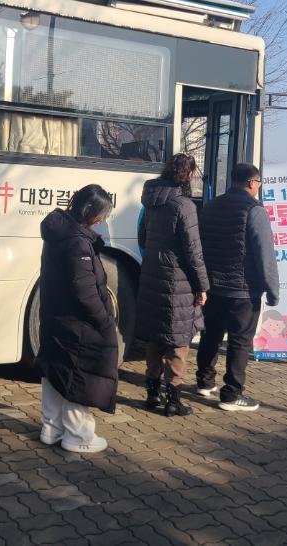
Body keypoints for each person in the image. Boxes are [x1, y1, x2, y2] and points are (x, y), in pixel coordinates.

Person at [35, 185, 117, 453]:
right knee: (77, 374)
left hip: (56, 316)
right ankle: (78, 435)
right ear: (90, 211)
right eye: (102, 214)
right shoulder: (77, 241)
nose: (103, 220)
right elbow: (85, 292)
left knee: (55, 370)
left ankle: (51, 428)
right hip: (77, 322)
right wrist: (105, 320)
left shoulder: (59, 231)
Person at [196, 163, 280, 412]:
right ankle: (232, 394)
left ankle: (204, 381)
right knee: (240, 341)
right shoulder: (254, 210)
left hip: (212, 286)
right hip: (243, 290)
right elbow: (265, 254)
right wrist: (272, 290)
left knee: (210, 335)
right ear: (252, 182)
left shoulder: (210, 207)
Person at [136, 153, 208, 417]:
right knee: (178, 341)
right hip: (178, 281)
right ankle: (173, 400)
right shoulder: (184, 205)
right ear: (188, 175)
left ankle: (152, 395)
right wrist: (202, 286)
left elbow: (142, 236)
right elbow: (193, 252)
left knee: (156, 338)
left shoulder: (151, 202)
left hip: (153, 274)